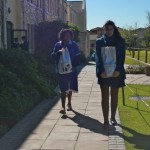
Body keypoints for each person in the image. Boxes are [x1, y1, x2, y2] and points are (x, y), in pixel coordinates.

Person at [96, 20, 126, 126]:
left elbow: (122, 57)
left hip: (115, 73)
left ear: (114, 29)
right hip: (104, 73)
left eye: (111, 29)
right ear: (104, 29)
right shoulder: (99, 41)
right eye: (107, 29)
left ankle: (113, 117)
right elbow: (98, 58)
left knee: (114, 95)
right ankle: (105, 120)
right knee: (104, 96)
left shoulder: (120, 41)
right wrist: (101, 71)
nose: (109, 31)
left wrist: (118, 70)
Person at [51, 29, 81, 114]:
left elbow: (78, 56)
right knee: (63, 88)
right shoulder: (58, 45)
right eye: (65, 35)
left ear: (71, 36)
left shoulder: (73, 44)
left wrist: (73, 65)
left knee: (70, 87)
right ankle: (63, 107)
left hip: (72, 70)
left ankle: (69, 103)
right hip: (60, 70)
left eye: (69, 35)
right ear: (62, 36)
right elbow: (52, 56)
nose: (67, 37)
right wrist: (58, 53)